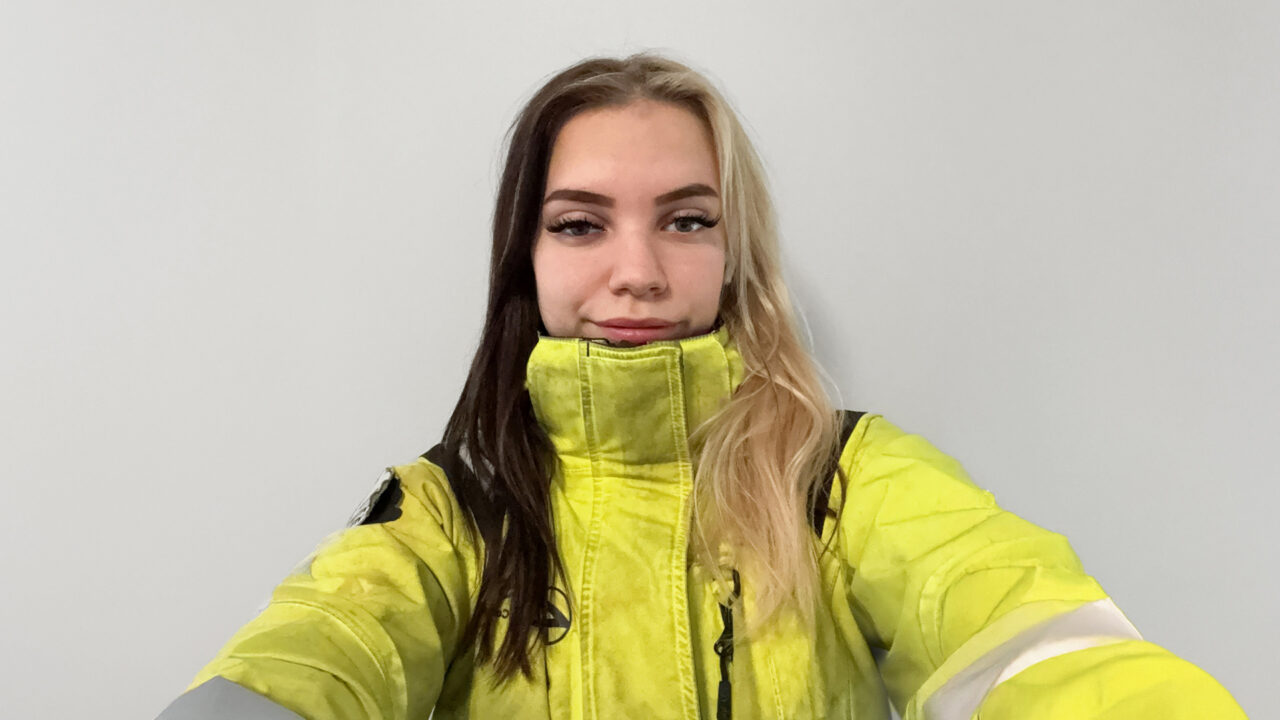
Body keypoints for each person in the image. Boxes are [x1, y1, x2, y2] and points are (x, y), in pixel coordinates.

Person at [156, 52, 1246, 720]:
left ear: (734, 253)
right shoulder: (450, 514)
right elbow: (314, 657)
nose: (636, 271)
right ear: (524, 259)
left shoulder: (845, 480)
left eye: (685, 220)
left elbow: (1029, 637)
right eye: (579, 224)